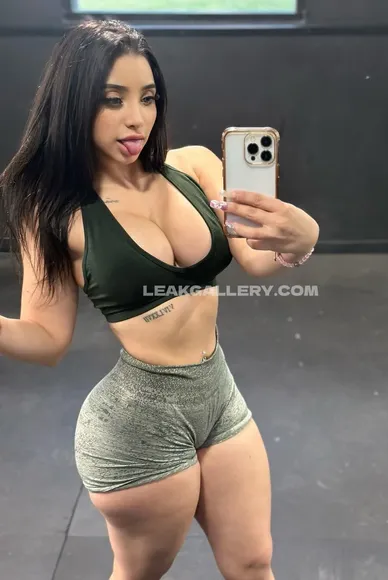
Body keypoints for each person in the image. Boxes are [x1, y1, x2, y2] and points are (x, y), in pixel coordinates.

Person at [0, 19, 319, 580]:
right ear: (72, 105)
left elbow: (257, 259)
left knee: (253, 562)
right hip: (137, 419)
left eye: (147, 98)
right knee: (140, 574)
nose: (136, 118)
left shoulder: (194, 165)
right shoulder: (55, 211)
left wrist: (302, 240)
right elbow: (47, 340)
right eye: (113, 100)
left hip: (218, 393)